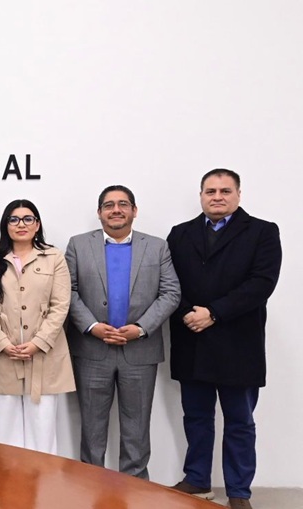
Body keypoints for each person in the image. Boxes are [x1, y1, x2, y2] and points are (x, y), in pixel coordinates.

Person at [166, 169, 281, 509]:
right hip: (192, 339)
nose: (217, 197)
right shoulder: (180, 234)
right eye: (210, 191)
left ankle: (239, 492)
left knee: (240, 422)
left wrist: (214, 313)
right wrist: (189, 313)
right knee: (196, 417)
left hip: (238, 344)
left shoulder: (262, 232)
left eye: (225, 191)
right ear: (201, 195)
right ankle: (197, 479)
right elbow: (169, 282)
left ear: (238, 194)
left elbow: (261, 283)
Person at [65, 185, 180, 478]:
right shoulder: (78, 245)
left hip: (140, 351)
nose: (116, 210)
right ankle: (91, 486)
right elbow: (68, 291)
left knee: (137, 427)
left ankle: (134, 488)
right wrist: (92, 327)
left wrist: (140, 329)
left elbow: (171, 293)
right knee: (92, 427)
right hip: (92, 351)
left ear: (134, 210)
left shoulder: (157, 247)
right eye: (109, 205)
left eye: (123, 204)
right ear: (99, 212)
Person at [0, 199, 74, 454]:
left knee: (42, 434)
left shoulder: (54, 257)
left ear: (37, 224)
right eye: (14, 219)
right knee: (3, 435)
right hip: (3, 357)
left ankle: (43, 481)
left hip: (44, 356)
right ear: (6, 225)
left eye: (28, 219)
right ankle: (6, 481)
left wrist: (38, 343)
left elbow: (60, 305)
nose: (21, 224)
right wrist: (2, 343)